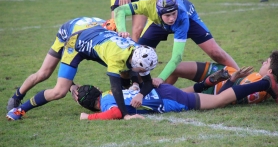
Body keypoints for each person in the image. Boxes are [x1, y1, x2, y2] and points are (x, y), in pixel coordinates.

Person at [6, 25, 158, 121]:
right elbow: (115, 87)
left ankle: (122, 102)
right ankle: (19, 110)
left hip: (95, 39)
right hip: (76, 45)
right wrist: (126, 115)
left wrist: (140, 93)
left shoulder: (138, 52)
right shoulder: (116, 57)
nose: (144, 72)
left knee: (126, 73)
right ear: (135, 62)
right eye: (142, 69)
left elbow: (148, 82)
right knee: (59, 91)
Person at [73, 62, 278, 120]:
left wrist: (88, 118)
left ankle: (265, 84)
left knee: (218, 101)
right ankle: (217, 81)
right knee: (196, 93)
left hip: (168, 99)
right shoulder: (110, 93)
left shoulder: (108, 104)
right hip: (162, 91)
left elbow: (117, 113)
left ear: (92, 106)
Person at [114, 0, 239, 87]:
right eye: (167, 15)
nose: (171, 18)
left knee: (215, 52)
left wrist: (161, 78)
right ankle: (137, 87)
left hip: (189, 21)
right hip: (158, 24)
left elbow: (177, 57)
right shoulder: (148, 5)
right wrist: (122, 30)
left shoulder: (181, 17)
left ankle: (241, 77)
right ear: (158, 12)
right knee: (137, 56)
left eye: (173, 13)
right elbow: (120, 10)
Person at [6, 17, 117, 111]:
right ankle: (16, 98)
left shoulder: (113, 41)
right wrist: (71, 86)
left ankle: (122, 97)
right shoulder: (80, 44)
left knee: (122, 70)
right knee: (45, 74)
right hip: (69, 35)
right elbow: (66, 62)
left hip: (84, 32)